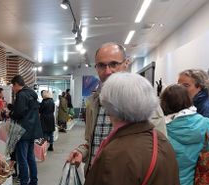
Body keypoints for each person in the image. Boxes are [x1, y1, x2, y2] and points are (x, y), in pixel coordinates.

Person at [67, 42, 167, 174]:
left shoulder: (145, 103)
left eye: (113, 64)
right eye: (101, 65)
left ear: (126, 63)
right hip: (95, 179)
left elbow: (159, 151)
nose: (108, 71)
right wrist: (82, 152)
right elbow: (92, 140)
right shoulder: (94, 102)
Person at [9, 75, 43, 185]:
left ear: (17, 84)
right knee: (30, 158)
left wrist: (10, 113)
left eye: (13, 86)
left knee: (21, 158)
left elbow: (19, 113)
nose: (13, 89)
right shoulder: (31, 94)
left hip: (23, 131)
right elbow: (27, 110)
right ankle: (34, 184)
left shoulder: (21, 94)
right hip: (32, 131)